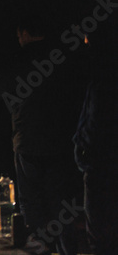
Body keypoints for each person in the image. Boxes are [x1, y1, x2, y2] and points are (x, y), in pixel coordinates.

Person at [0, 17, 86, 254]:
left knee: (31, 201)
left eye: (18, 36)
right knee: (60, 201)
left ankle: (40, 246)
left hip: (28, 143)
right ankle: (67, 249)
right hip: (60, 143)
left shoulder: (19, 61)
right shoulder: (64, 58)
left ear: (25, 34)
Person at [73, 15, 118, 254]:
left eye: (88, 40)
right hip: (103, 162)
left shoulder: (102, 80)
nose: (85, 43)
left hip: (101, 166)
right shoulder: (102, 77)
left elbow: (95, 122)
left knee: (100, 233)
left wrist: (83, 153)